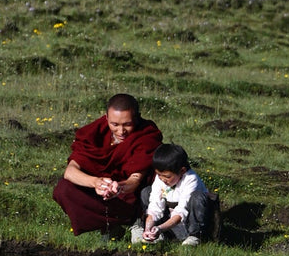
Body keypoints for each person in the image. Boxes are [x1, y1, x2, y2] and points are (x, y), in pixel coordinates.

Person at [53, 93, 162, 236]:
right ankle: (110, 225)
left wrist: (118, 188)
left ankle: (133, 221)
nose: (121, 131)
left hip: (131, 198)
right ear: (106, 118)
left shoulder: (146, 135)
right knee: (63, 189)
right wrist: (96, 183)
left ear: (137, 117)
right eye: (114, 124)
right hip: (101, 193)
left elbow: (135, 180)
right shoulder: (96, 132)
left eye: (127, 124)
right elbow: (70, 172)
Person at [131, 143, 218, 246]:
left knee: (198, 197)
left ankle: (196, 236)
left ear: (182, 171)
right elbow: (155, 205)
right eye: (159, 175)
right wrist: (149, 228)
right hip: (171, 223)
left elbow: (181, 211)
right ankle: (160, 235)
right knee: (146, 192)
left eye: (167, 176)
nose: (163, 179)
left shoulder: (191, 180)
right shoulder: (160, 180)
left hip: (188, 222)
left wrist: (160, 228)